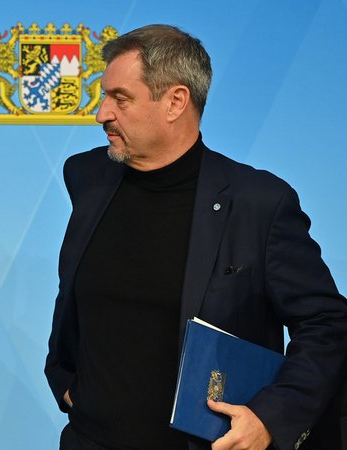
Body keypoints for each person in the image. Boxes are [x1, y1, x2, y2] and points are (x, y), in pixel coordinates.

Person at [45, 24, 347, 450]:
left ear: (175, 101)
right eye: (104, 94)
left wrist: (270, 417)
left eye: (120, 98)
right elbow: (74, 296)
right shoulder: (87, 177)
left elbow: (327, 324)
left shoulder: (259, 203)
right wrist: (63, 380)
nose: (101, 113)